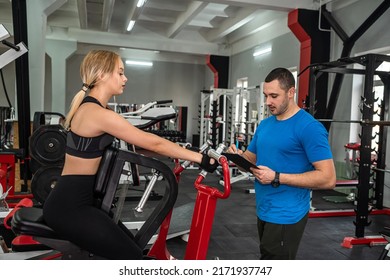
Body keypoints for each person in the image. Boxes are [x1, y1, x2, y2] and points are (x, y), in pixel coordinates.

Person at [42, 49, 217, 260]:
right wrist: (200, 158)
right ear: (102, 75)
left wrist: (181, 154)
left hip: (76, 203)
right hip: (70, 209)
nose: (125, 78)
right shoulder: (98, 114)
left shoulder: (93, 109)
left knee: (134, 249)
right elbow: (153, 141)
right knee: (132, 258)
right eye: (120, 72)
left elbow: (139, 145)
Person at [227, 67, 336, 260]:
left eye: (274, 96)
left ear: (291, 92)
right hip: (264, 208)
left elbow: (328, 179)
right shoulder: (266, 124)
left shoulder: (310, 128)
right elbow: (250, 161)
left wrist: (277, 177)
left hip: (288, 213)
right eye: (266, 95)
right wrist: (236, 157)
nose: (268, 102)